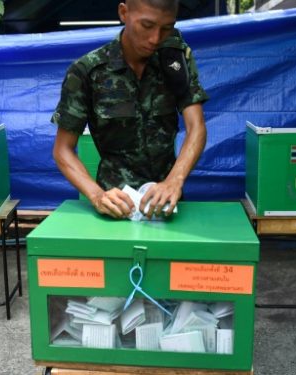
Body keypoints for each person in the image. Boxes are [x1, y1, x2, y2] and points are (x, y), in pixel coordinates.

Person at [52, 0, 208, 220]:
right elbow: (63, 150)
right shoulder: (88, 71)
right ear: (123, 13)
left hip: (167, 205)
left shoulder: (175, 61)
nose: (155, 38)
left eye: (166, 28)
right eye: (146, 25)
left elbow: (196, 127)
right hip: (115, 206)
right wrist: (97, 195)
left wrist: (174, 180)